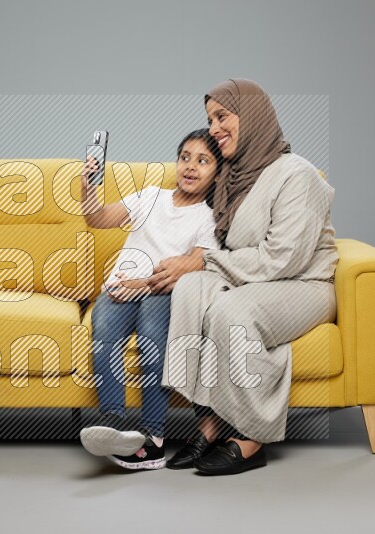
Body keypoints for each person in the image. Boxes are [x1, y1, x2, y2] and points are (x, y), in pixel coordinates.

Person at [156, 79, 338, 475]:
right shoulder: (234, 176)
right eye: (210, 119)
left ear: (252, 115)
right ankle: (209, 420)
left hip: (302, 284)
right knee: (190, 289)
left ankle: (253, 436)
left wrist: (205, 262)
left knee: (232, 312)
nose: (215, 128)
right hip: (252, 277)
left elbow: (283, 259)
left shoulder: (297, 174)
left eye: (222, 116)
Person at [78, 129, 222, 470]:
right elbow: (97, 218)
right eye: (185, 157)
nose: (190, 166)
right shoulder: (150, 196)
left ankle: (153, 438)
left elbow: (192, 264)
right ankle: (114, 423)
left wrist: (142, 284)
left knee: (153, 335)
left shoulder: (210, 218)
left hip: (164, 291)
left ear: (217, 173)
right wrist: (87, 187)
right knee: (104, 328)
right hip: (122, 287)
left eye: (203, 161)